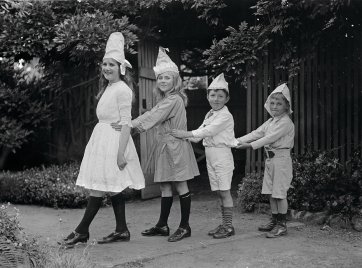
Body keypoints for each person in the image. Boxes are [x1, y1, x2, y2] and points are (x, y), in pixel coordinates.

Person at [60, 32, 145, 248]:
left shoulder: (123, 90)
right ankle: (122, 230)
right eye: (105, 64)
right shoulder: (107, 87)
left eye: (112, 65)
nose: (107, 68)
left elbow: (126, 123)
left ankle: (81, 231)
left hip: (115, 143)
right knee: (113, 187)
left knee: (98, 187)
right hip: (102, 140)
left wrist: (120, 153)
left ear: (121, 68)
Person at [113, 47, 199, 242]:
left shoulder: (174, 99)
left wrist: (129, 125)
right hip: (165, 146)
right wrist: (131, 124)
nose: (162, 81)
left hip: (175, 148)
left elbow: (152, 116)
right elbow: (152, 113)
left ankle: (185, 227)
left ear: (175, 80)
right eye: (160, 78)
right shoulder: (165, 99)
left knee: (181, 185)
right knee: (165, 186)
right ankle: (162, 225)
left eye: (167, 78)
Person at [170, 73, 238, 239]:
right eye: (213, 95)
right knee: (219, 193)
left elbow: (209, 131)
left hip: (222, 156)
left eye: (220, 96)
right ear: (207, 96)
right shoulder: (210, 114)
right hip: (211, 156)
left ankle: (229, 227)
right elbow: (199, 136)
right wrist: (181, 138)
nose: (216, 99)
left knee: (225, 192)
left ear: (226, 99)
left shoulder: (225, 116)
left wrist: (184, 133)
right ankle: (224, 224)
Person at [235, 83, 295, 238]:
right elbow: (257, 133)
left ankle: (282, 225)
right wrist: (235, 141)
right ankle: (274, 220)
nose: (275, 106)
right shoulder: (271, 121)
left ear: (286, 106)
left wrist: (249, 146)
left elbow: (269, 138)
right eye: (272, 103)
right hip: (270, 161)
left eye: (279, 103)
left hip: (281, 161)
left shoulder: (286, 122)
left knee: (279, 193)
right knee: (271, 192)